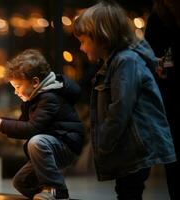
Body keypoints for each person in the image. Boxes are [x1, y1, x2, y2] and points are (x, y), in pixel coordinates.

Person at [73, 1, 176, 199]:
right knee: (126, 190)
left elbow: (120, 108)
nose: (81, 47)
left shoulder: (125, 62)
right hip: (129, 147)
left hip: (135, 147)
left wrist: (104, 142)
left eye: (83, 40)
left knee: (128, 191)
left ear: (102, 36)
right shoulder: (113, 63)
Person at [0, 49, 84, 200]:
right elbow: (23, 125)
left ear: (35, 82)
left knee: (36, 141)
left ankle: (57, 191)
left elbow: (32, 129)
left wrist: (2, 125)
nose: (16, 92)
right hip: (50, 144)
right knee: (21, 182)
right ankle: (45, 194)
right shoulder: (33, 99)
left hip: (65, 144)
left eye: (18, 86)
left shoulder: (49, 97)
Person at [144, 0, 180, 199]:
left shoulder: (159, 16)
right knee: (173, 160)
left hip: (168, 96)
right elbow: (151, 54)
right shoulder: (158, 17)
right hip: (169, 99)